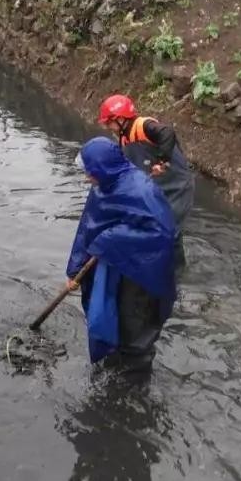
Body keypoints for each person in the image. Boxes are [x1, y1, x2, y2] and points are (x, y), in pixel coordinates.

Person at [66, 137, 176, 375]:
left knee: (135, 321)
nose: (87, 177)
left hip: (142, 271)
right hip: (114, 265)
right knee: (111, 314)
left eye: (90, 172)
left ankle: (135, 377)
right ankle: (116, 358)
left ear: (102, 168)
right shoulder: (102, 186)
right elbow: (88, 226)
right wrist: (74, 269)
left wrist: (110, 239)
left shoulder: (142, 190)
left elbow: (163, 232)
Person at [98, 94, 194, 262]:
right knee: (153, 226)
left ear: (120, 119)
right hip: (161, 188)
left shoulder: (143, 126)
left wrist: (161, 160)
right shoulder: (124, 140)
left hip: (179, 186)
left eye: (109, 122)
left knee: (170, 229)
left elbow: (167, 132)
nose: (108, 127)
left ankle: (177, 272)